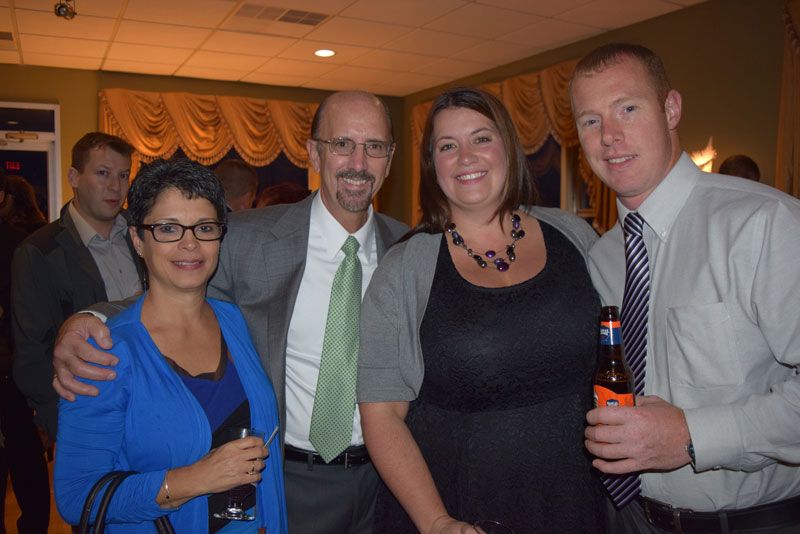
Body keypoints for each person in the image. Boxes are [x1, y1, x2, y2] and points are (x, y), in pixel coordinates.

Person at [49, 91, 408, 533]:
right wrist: (91, 319)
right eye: (342, 144)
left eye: (374, 146)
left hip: (388, 482)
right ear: (315, 152)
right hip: (289, 480)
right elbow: (176, 280)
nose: (358, 161)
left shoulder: (411, 251)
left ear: (389, 158)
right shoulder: (249, 237)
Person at [570, 43, 800, 533]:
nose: (609, 136)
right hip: (627, 518)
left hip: (750, 522)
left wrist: (693, 434)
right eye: (590, 121)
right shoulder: (602, 257)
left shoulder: (763, 224)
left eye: (627, 109)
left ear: (671, 109)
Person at [357, 87, 604, 533]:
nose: (466, 157)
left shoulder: (575, 237)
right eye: (447, 146)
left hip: (576, 498)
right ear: (433, 166)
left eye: (481, 138)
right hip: (455, 505)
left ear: (508, 147)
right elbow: (382, 415)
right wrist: (436, 522)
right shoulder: (403, 269)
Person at [54, 158, 287, 532]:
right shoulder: (106, 353)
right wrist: (195, 479)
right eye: (168, 228)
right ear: (137, 239)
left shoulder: (234, 321)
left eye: (205, 228)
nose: (190, 244)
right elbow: (77, 496)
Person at [11, 132, 145, 444]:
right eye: (103, 173)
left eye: (123, 175)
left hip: (150, 399)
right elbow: (32, 354)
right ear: (74, 177)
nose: (115, 186)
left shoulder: (145, 235)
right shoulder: (39, 252)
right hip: (88, 408)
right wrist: (63, 422)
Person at [0, 172, 50, 534]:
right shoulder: (28, 241)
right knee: (25, 460)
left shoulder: (23, 245)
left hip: (12, 366)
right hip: (14, 367)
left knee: (21, 458)